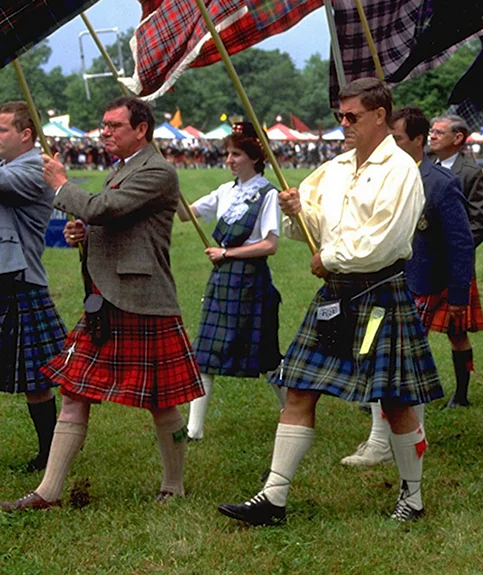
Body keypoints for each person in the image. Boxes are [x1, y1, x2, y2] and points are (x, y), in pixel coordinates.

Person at [217, 79, 440, 526]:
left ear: (380, 115)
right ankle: (273, 497)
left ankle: (412, 497)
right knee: (298, 387)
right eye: (340, 116)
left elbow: (385, 239)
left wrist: (330, 257)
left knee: (395, 400)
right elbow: (319, 228)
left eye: (352, 116)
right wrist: (300, 211)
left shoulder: (401, 170)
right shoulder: (335, 167)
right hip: (335, 292)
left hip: (379, 291)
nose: (344, 124)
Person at [3, 97, 201, 512]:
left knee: (162, 401)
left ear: (140, 129)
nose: (105, 132)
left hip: (142, 299)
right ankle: (48, 492)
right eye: (104, 125)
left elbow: (104, 208)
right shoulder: (121, 170)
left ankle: (174, 484)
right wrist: (84, 233)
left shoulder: (158, 171)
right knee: (74, 391)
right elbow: (105, 219)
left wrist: (61, 184)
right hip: (103, 299)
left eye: (114, 126)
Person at [340, 105, 474, 469]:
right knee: (368, 354)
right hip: (375, 283)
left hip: (419, 285)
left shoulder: (440, 183)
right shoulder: (377, 176)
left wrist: (459, 296)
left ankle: (397, 439)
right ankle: (380, 438)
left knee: (401, 364)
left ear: (418, 139)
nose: (391, 144)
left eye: (397, 138)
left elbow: (461, 243)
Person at [181, 121, 285, 441]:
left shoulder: (269, 194)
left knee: (266, 355)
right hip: (223, 280)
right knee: (206, 353)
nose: (229, 159)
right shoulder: (225, 191)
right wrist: (167, 187)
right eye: (227, 153)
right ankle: (193, 429)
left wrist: (227, 254)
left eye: (236, 153)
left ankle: (290, 412)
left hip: (252, 280)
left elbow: (270, 244)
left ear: (255, 157)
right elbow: (186, 215)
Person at [0, 102, 66, 474]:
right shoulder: (8, 166)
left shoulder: (36, 169)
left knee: (35, 378)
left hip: (19, 278)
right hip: (6, 276)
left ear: (26, 134)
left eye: (3, 130)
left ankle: (48, 453)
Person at [424, 114, 483, 408]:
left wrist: (456, 247)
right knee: (413, 327)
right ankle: (400, 390)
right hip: (423, 263)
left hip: (454, 265)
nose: (432, 136)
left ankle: (461, 394)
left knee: (457, 330)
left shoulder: (470, 172)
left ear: (458, 138)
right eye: (431, 132)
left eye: (439, 132)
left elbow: (482, 220)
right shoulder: (425, 166)